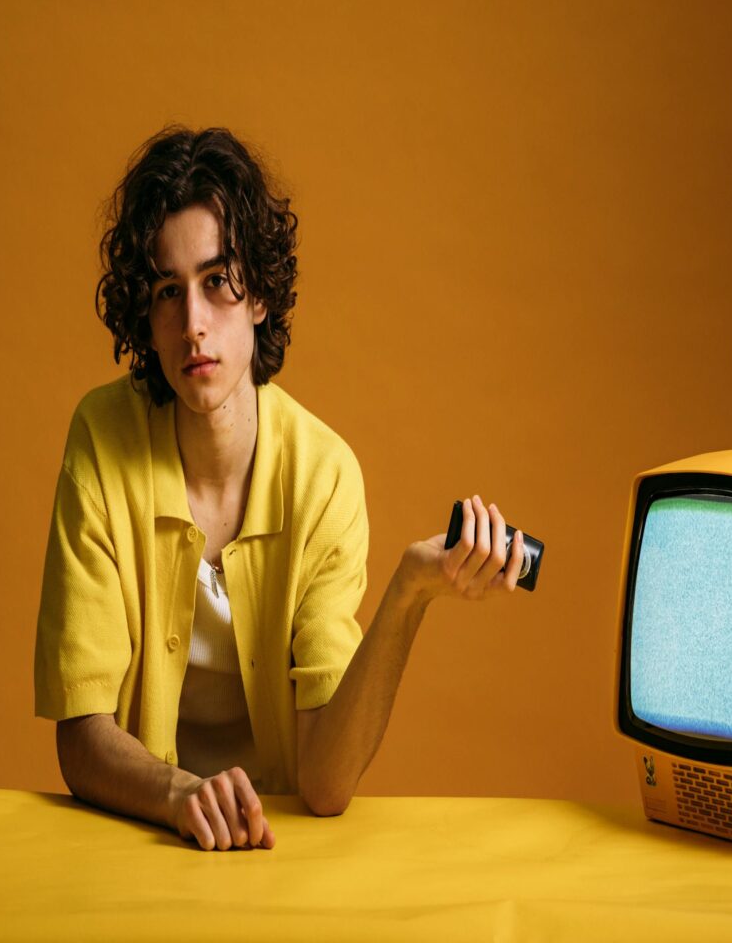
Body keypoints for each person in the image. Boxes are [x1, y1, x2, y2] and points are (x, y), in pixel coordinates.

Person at [34, 125, 526, 852]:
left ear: (258, 295)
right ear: (148, 313)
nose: (194, 325)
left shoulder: (324, 476)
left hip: (280, 851)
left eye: (217, 282)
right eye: (169, 292)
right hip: (138, 840)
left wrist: (409, 593)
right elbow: (82, 740)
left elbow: (326, 787)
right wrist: (181, 796)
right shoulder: (101, 443)